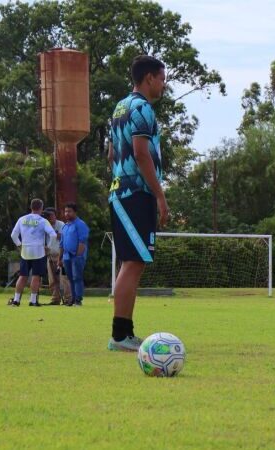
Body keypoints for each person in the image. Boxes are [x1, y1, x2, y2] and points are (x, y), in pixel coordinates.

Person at [107, 55, 169, 351]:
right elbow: (141, 154)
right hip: (135, 195)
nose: (163, 85)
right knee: (133, 262)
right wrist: (160, 195)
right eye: (162, 79)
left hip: (121, 192)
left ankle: (125, 333)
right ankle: (120, 335)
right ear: (148, 78)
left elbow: (111, 154)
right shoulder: (142, 108)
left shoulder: (120, 107)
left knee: (132, 262)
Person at [8, 198, 58, 307]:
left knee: (23, 276)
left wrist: (19, 245)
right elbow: (53, 235)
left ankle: (16, 300)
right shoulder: (42, 221)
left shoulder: (22, 219)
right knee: (36, 276)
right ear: (41, 208)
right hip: (38, 251)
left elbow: (13, 235)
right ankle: (33, 300)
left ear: (31, 207)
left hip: (25, 251)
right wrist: (48, 247)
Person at [59, 202, 89, 307]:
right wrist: (60, 258)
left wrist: (78, 256)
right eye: (66, 211)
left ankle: (78, 300)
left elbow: (82, 242)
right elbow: (61, 244)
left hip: (77, 256)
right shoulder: (65, 226)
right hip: (66, 256)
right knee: (70, 278)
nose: (67, 213)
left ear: (75, 212)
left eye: (69, 211)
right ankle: (72, 299)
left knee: (77, 277)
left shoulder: (80, 224)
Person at [43, 207, 72, 306]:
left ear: (55, 215)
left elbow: (63, 238)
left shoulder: (61, 224)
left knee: (64, 278)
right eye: (48, 216)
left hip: (62, 255)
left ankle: (68, 298)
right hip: (50, 255)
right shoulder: (44, 226)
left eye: (52, 216)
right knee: (52, 279)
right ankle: (55, 299)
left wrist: (53, 232)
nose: (51, 218)